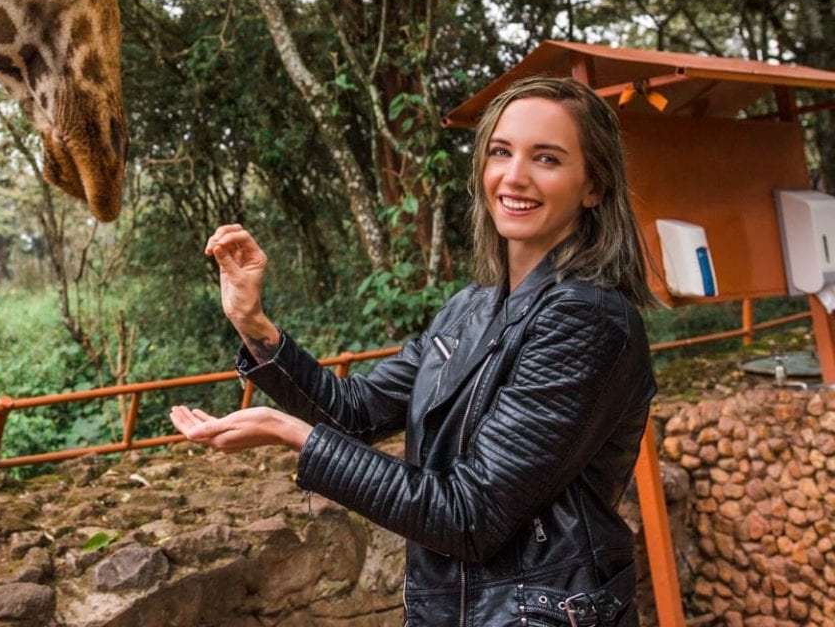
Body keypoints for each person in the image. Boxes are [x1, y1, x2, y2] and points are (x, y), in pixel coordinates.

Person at [170, 76, 657, 627]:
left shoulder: (587, 320)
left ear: (592, 186)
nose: (514, 176)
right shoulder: (468, 308)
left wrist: (290, 433)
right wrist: (252, 322)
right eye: (501, 152)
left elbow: (470, 515)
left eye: (546, 158)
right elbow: (354, 413)